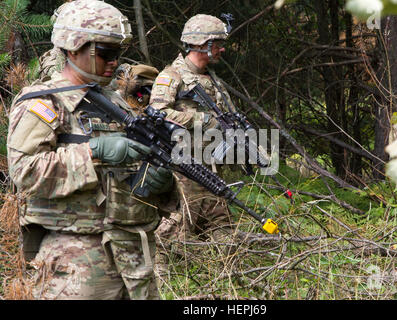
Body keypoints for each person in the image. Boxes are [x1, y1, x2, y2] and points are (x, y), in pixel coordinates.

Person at [7, 0, 175, 300]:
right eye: (105, 53)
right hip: (76, 260)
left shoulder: (117, 103)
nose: (114, 62)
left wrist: (154, 184)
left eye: (118, 53)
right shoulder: (45, 104)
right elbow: (25, 172)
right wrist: (93, 152)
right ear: (73, 49)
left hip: (132, 255)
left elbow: (122, 176)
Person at [149, 14, 237, 279]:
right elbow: (157, 112)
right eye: (218, 43)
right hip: (184, 163)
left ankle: (230, 279)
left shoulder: (212, 80)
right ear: (202, 44)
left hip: (211, 163)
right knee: (183, 219)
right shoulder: (172, 76)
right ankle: (161, 279)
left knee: (221, 220)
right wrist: (200, 120)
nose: (222, 49)